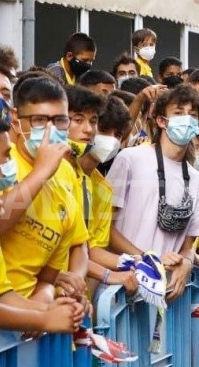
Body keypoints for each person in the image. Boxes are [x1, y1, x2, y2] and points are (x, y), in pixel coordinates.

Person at [0, 114, 84, 332]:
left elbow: (2, 295)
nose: (11, 162)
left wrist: (52, 310)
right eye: (7, 154)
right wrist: (43, 320)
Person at [107, 84, 199, 301]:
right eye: (178, 113)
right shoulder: (129, 159)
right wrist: (146, 260)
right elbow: (104, 228)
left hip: (165, 295)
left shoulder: (198, 181)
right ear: (161, 121)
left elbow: (187, 246)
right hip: (124, 288)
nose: (186, 119)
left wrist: (185, 262)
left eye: (192, 115)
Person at [0, 75, 90, 309]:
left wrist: (53, 292)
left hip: (37, 318)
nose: (50, 129)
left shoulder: (66, 172)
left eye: (60, 121)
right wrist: (40, 173)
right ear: (15, 119)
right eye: (39, 120)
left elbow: (59, 261)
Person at [64, 85, 138, 294]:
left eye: (118, 134)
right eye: (105, 131)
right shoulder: (62, 172)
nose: (111, 140)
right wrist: (110, 274)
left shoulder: (103, 187)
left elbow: (91, 248)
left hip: (77, 296)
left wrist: (134, 262)